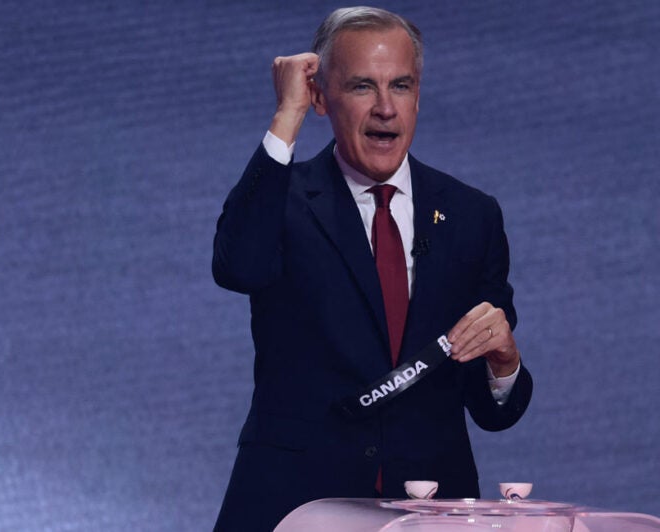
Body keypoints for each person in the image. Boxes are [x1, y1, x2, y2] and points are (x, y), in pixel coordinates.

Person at [211, 7, 533, 530]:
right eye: (363, 86)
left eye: (401, 86)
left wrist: (504, 364)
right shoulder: (280, 201)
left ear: (418, 95)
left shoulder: (472, 215)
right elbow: (237, 268)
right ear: (320, 96)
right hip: (295, 506)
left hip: (430, 509)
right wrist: (286, 116)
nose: (386, 108)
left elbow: (494, 410)